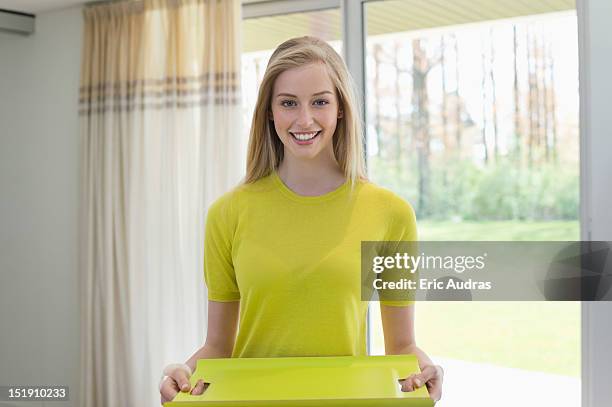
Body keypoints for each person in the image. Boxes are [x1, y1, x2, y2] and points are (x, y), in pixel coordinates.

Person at [159, 36, 443, 404]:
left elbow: (402, 346)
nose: (304, 119)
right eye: (288, 103)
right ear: (269, 112)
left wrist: (426, 371)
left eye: (320, 102)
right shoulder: (227, 213)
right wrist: (181, 375)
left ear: (340, 109)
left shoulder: (391, 214)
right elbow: (217, 346)